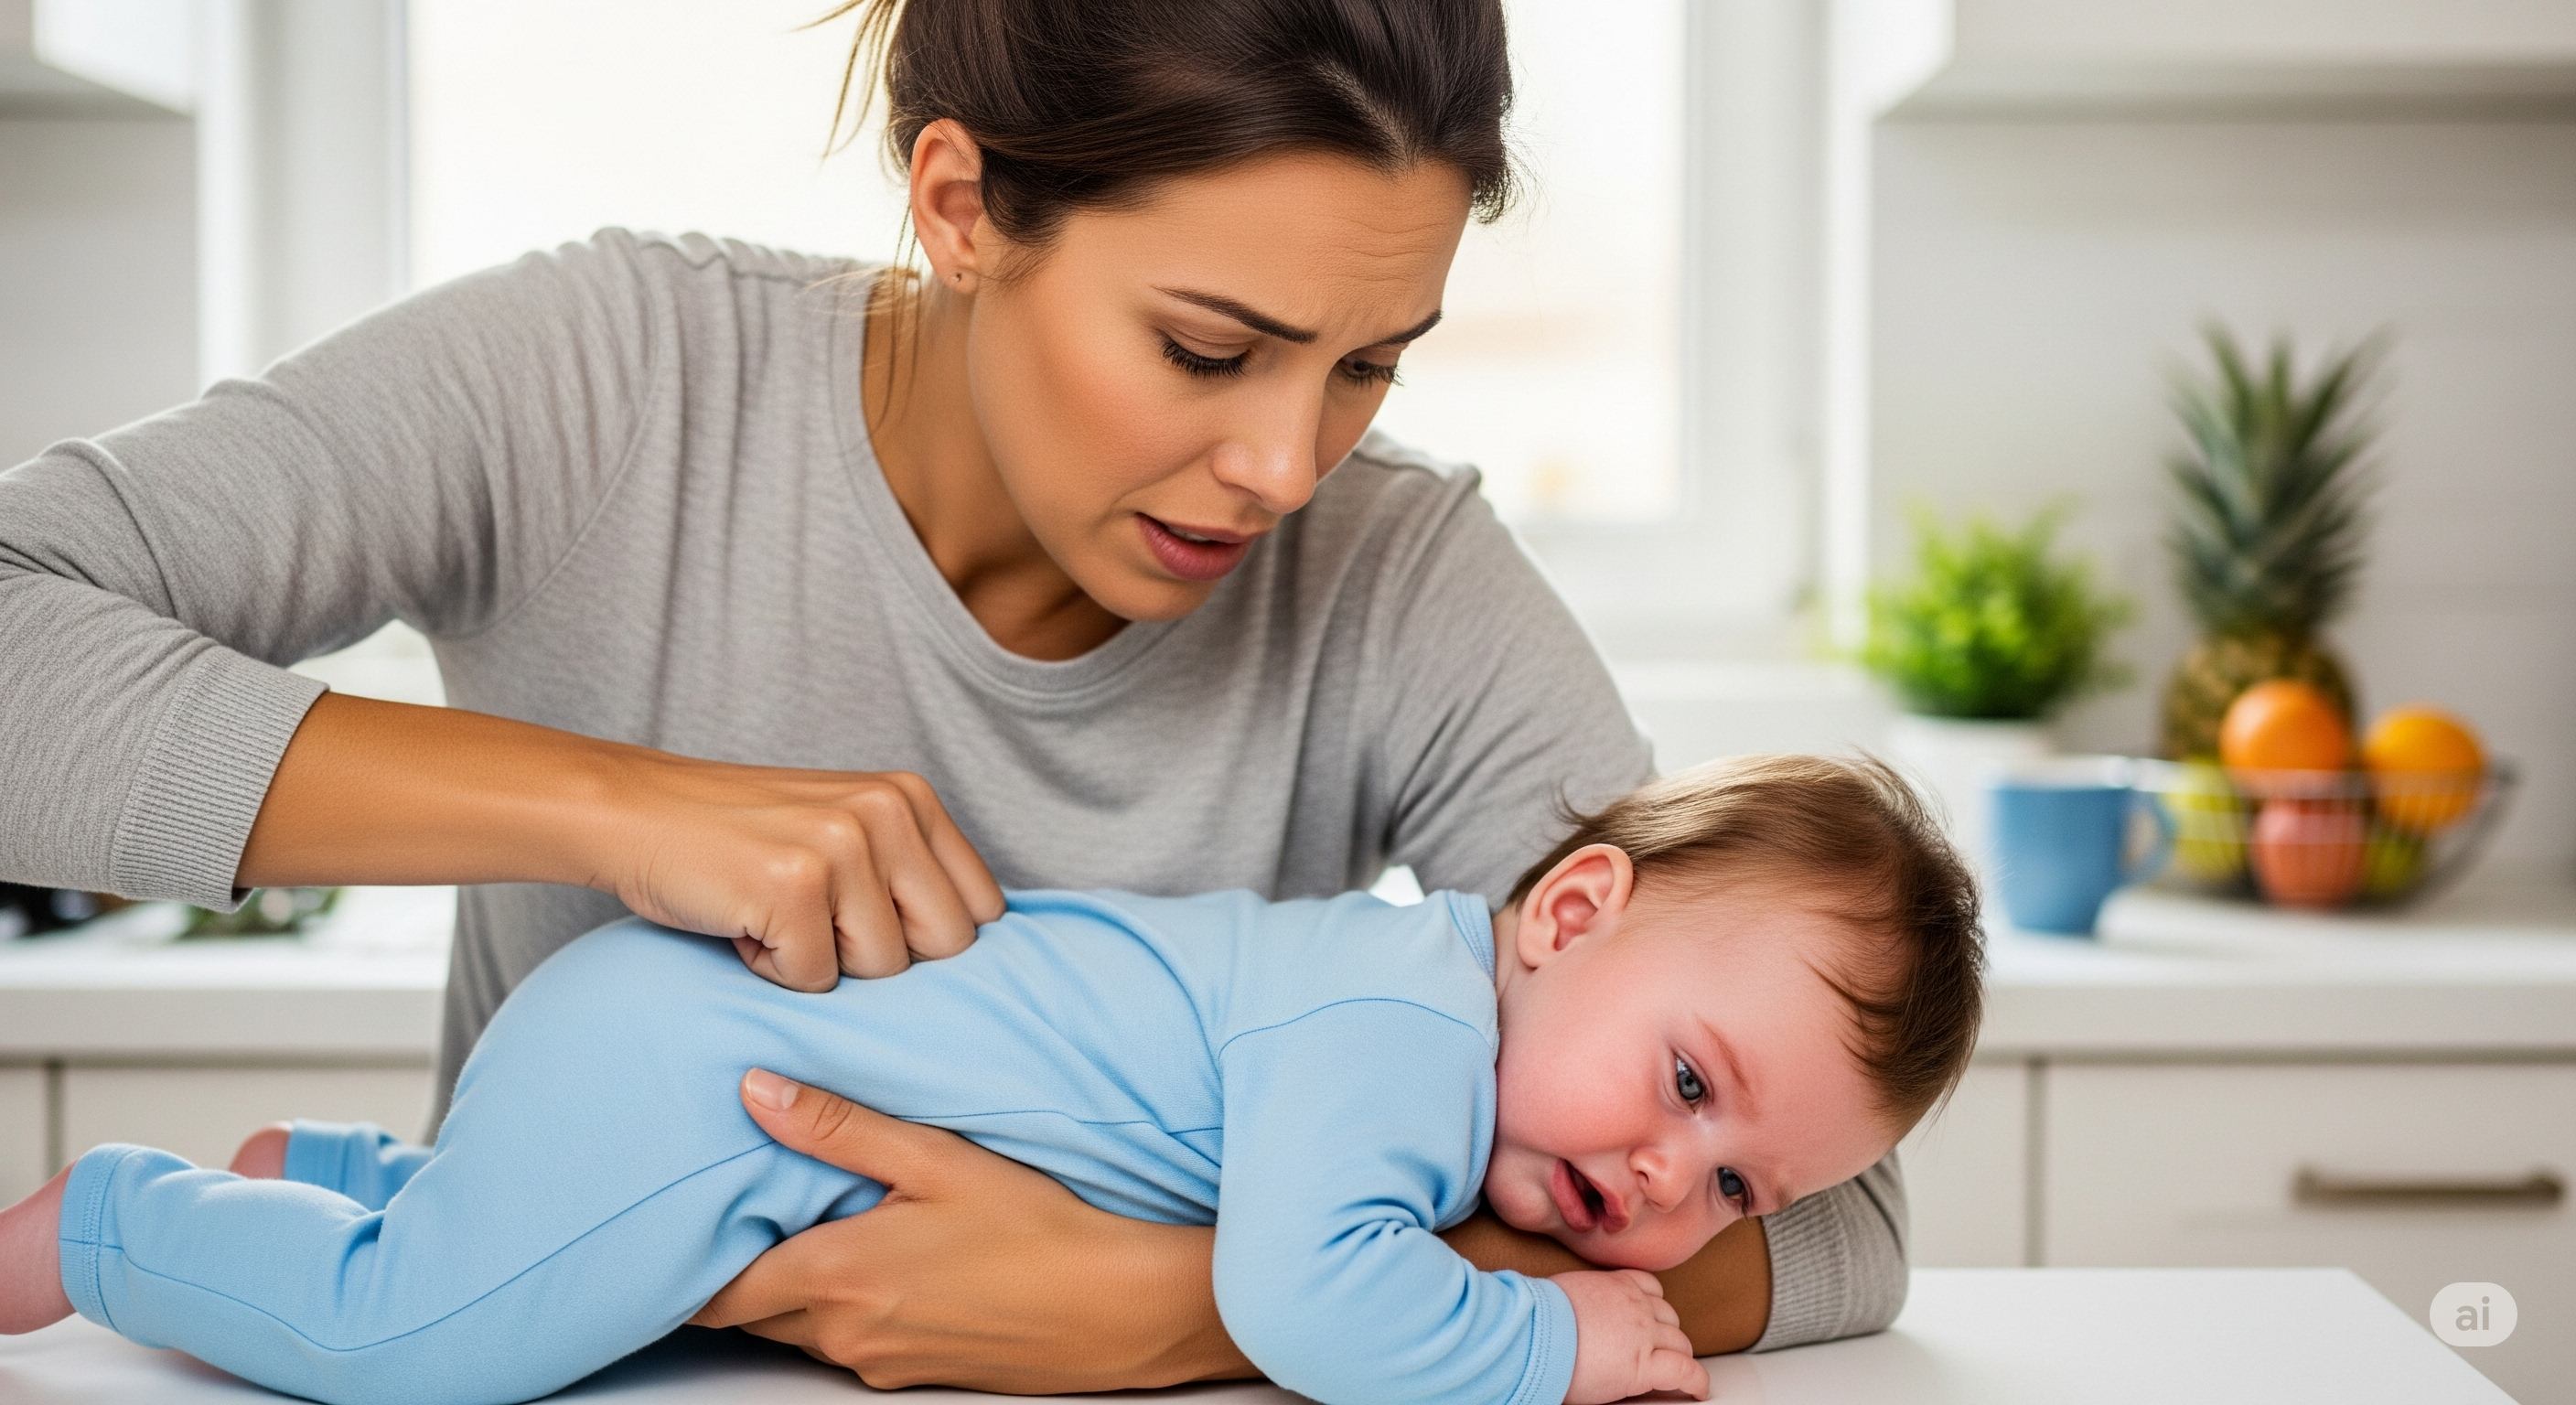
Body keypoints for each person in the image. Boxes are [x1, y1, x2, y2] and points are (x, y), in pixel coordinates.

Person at [0, 0, 1916, 1387]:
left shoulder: (1405, 585)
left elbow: (1832, 1223)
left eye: (1367, 369)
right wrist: (622, 806)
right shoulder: (602, 383)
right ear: (963, 201)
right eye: (1209, 347)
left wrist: (1167, 1305)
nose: (1285, 466)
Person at [0, 756, 1983, 1405]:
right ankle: (112, 1227)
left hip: (693, 1060)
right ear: (1565, 915)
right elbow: (1306, 1299)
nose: (1663, 1179)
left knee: (524, 1261)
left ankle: (331, 1170)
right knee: (414, 1349)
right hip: (708, 1080)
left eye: (1736, 1190)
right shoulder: (1399, 1035)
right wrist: (1559, 1349)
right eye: (1691, 1084)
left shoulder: (1412, 1006)